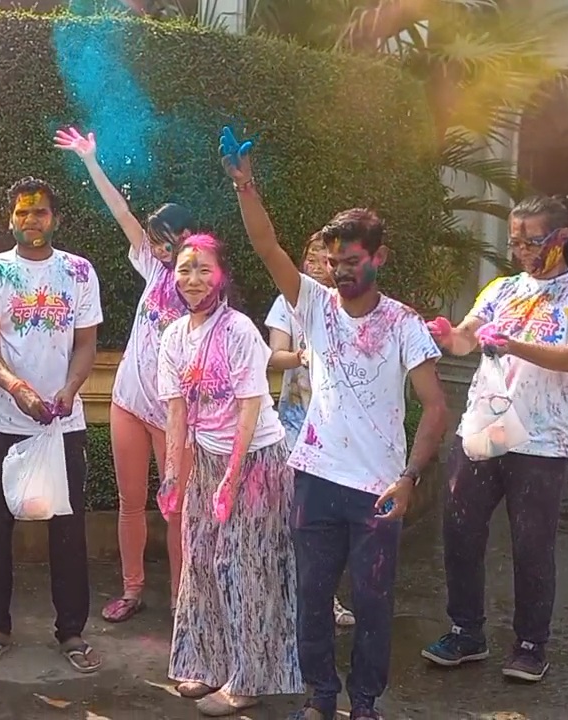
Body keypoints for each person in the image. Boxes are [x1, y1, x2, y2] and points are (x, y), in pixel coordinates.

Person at [219, 126, 449, 720]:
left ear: (378, 258)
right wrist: (246, 187)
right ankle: (321, 697)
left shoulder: (403, 324)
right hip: (316, 479)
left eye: (353, 262)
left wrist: (410, 477)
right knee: (312, 601)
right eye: (334, 262)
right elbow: (267, 247)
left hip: (377, 489)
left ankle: (365, 702)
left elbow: (436, 406)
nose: (342, 272)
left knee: (373, 606)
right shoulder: (313, 306)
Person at [421, 195, 568, 683]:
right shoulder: (501, 288)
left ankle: (531, 644)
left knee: (532, 542)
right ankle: (466, 631)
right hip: (484, 427)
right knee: (460, 530)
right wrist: (448, 335)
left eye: (532, 240)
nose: (522, 249)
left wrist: (515, 344)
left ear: (561, 238)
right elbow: (467, 339)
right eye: (515, 240)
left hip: (542, 437)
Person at [155, 233, 302, 717]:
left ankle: (249, 677)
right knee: (199, 560)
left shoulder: (240, 331)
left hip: (255, 460)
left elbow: (249, 409)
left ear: (222, 275)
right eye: (184, 270)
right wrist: (174, 475)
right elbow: (177, 412)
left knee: (244, 566)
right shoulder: (174, 336)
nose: (193, 280)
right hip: (209, 459)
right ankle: (206, 660)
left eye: (203, 270)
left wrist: (233, 476)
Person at [54, 126, 191, 623]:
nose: (157, 249)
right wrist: (91, 159)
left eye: (166, 241)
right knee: (130, 501)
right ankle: (132, 590)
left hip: (175, 416)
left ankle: (183, 598)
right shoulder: (153, 270)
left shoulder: (202, 291)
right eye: (153, 241)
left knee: (176, 507)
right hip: (129, 402)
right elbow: (121, 213)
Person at [0, 177, 103, 673]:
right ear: (10, 219)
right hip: (1, 420)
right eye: (23, 213)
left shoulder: (79, 272)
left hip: (63, 424)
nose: (32, 220)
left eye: (41, 212)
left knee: (68, 530)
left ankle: (72, 632)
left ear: (55, 218)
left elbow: (86, 343)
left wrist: (68, 391)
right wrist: (19, 390)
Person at [264, 233, 356, 629]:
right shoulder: (288, 303)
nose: (317, 266)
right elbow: (274, 355)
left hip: (337, 430)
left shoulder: (350, 308)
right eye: (311, 258)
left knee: (328, 522)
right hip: (294, 424)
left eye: (325, 260)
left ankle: (326, 597)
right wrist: (300, 356)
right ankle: (283, 596)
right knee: (290, 515)